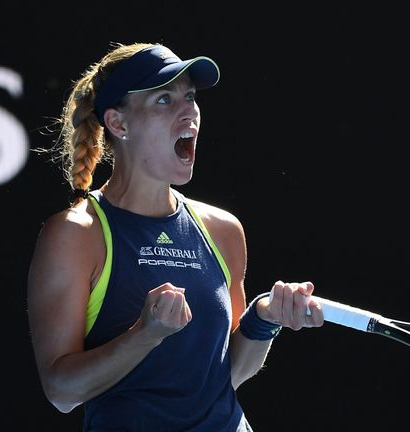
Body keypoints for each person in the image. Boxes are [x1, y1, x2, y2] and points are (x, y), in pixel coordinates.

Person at [26, 42, 324, 432]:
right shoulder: (74, 234)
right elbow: (62, 392)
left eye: (191, 96)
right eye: (164, 99)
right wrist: (144, 335)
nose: (189, 111)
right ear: (119, 124)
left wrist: (265, 319)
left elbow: (226, 375)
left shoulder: (223, 229)